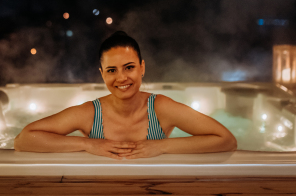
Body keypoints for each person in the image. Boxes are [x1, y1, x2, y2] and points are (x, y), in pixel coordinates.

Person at [14, 31, 237, 159]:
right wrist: (87, 144)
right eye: (112, 70)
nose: (122, 78)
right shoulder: (90, 113)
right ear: (102, 75)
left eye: (129, 67)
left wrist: (161, 146)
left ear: (142, 68)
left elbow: (226, 140)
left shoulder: (160, 108)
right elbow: (23, 140)